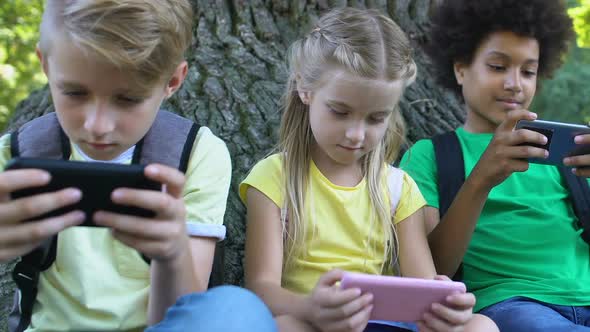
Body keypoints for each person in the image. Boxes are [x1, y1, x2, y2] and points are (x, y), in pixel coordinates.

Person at [0, 1, 275, 331]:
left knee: (238, 308)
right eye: (74, 93)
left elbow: (180, 319)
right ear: (46, 65)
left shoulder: (196, 155)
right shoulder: (15, 155)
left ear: (172, 81)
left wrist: (172, 254)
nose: (97, 125)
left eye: (127, 99)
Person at [240, 7, 498, 332]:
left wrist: (446, 308)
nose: (356, 134)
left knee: (482, 325)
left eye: (376, 118)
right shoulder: (274, 177)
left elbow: (424, 284)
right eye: (340, 111)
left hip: (386, 324)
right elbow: (261, 289)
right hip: (315, 322)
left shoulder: (398, 188)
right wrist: (310, 307)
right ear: (306, 89)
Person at [399, 0, 590, 331]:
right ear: (460, 68)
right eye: (498, 67)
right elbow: (431, 272)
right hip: (512, 306)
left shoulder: (563, 154)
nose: (515, 84)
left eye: (528, 71)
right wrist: (481, 180)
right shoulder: (429, 156)